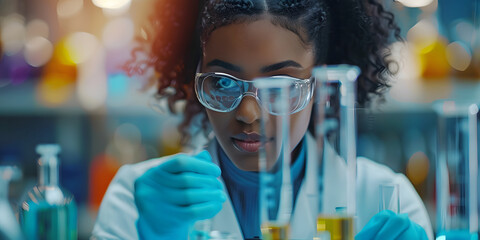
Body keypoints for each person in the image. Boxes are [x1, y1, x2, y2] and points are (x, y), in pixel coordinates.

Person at [93, 0, 434, 239]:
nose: (248, 113)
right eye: (224, 82)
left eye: (280, 85)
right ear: (195, 78)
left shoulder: (385, 201)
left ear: (321, 84)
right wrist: (157, 235)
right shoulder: (134, 198)